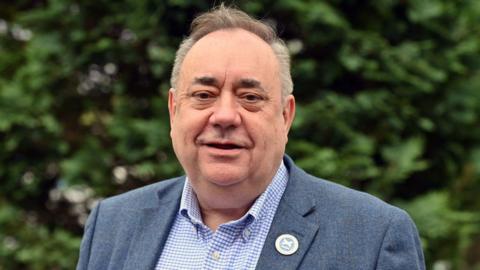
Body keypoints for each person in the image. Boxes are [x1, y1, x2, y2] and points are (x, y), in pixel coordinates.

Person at [76, 5, 425, 270]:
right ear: (173, 110)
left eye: (250, 97)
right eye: (203, 94)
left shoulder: (373, 236)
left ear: (285, 117)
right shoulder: (113, 223)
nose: (225, 116)